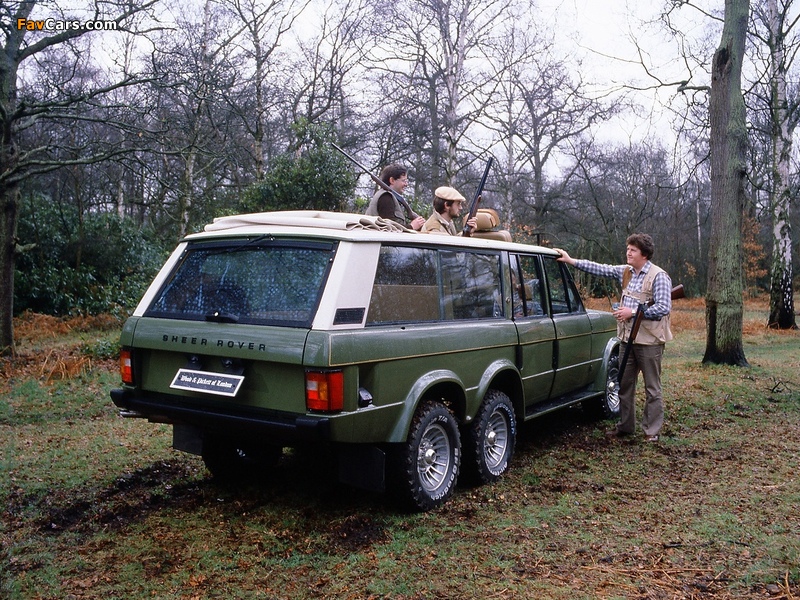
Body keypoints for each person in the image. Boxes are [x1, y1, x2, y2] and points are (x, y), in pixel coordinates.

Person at [555, 234, 673, 442]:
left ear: (644, 254)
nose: (628, 252)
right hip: (627, 339)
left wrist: (632, 312)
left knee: (652, 388)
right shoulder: (626, 272)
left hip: (650, 342)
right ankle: (626, 426)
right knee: (624, 384)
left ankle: (651, 431)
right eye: (628, 249)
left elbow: (664, 307)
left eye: (633, 250)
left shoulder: (659, 276)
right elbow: (601, 269)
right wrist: (571, 261)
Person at [365, 164, 425, 231]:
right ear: (392, 180)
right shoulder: (386, 197)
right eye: (403, 181)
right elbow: (390, 229)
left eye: (406, 181)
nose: (406, 184)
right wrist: (411, 226)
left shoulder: (388, 196)